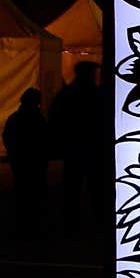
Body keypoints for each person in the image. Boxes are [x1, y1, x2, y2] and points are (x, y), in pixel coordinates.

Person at [48, 60, 103, 232]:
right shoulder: (95, 95)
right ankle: (95, 221)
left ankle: (72, 223)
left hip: (73, 147)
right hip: (89, 147)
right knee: (93, 187)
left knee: (73, 188)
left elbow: (54, 120)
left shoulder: (67, 95)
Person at [2, 87, 49, 236]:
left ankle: (23, 223)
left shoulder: (15, 118)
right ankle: (32, 224)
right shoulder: (37, 118)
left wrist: (13, 153)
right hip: (34, 161)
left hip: (21, 160)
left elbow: (7, 137)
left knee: (22, 192)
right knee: (34, 193)